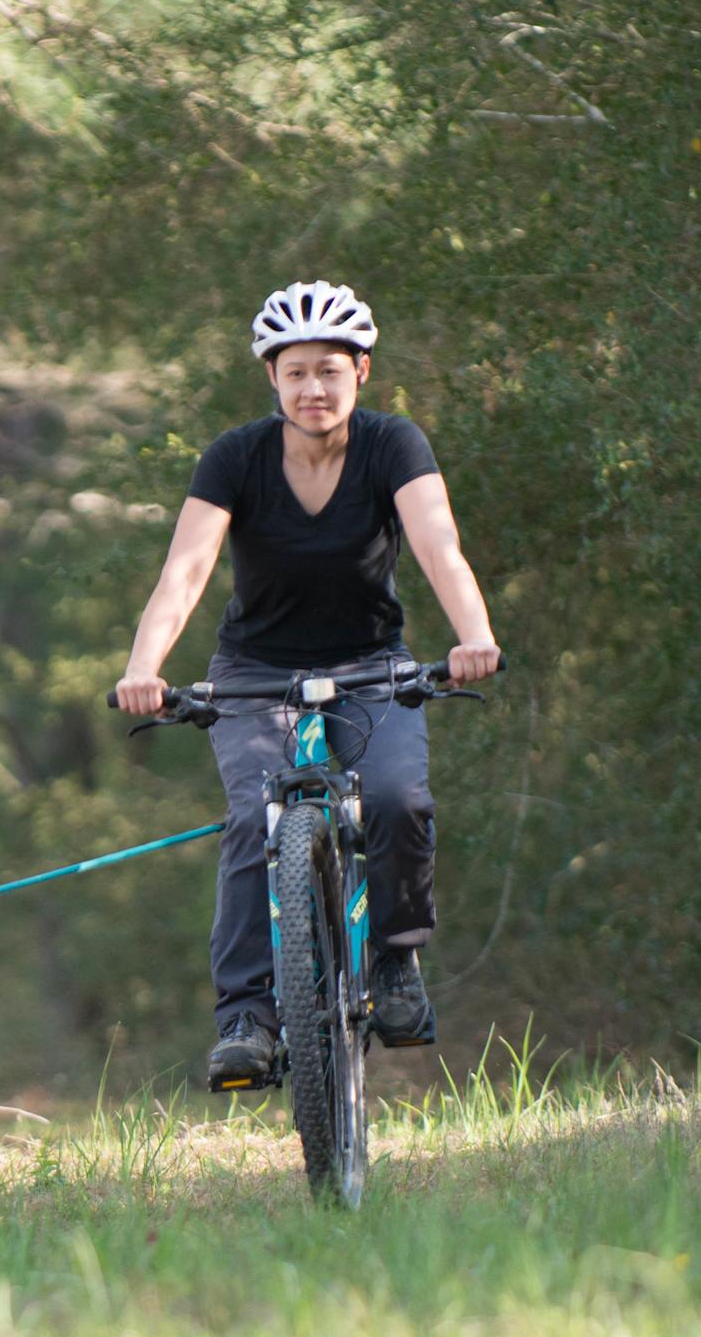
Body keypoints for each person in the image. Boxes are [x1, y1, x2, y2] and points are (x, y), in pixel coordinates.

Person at [112, 281, 504, 1092]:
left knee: (398, 799)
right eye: (295, 372)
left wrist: (475, 636)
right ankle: (246, 1018)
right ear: (272, 379)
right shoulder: (236, 458)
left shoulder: (394, 445)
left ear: (362, 371)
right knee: (259, 815)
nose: (313, 389)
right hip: (254, 675)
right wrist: (143, 668)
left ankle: (395, 965)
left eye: (329, 370)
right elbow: (185, 572)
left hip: (373, 666)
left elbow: (438, 546)